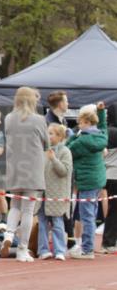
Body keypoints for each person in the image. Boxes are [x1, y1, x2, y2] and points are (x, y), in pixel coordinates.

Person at [1, 87, 49, 263]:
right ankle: (22, 248)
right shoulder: (39, 120)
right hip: (33, 168)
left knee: (14, 205)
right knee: (28, 210)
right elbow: (46, 144)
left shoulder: (8, 118)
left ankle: (8, 233)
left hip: (14, 167)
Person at [67, 102, 108, 259]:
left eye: (81, 122)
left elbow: (68, 149)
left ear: (87, 123)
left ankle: (87, 249)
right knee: (91, 213)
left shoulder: (82, 141)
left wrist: (71, 136)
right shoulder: (100, 135)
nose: (79, 125)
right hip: (97, 179)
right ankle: (86, 247)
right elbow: (103, 126)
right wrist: (101, 111)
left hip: (86, 181)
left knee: (87, 216)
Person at [37, 123, 73, 261]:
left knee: (57, 222)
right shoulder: (42, 151)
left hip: (57, 194)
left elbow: (64, 171)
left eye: (51, 133)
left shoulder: (65, 151)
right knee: (42, 223)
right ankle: (43, 250)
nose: (48, 136)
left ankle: (59, 250)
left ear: (59, 136)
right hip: (42, 193)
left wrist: (53, 159)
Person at [102, 118, 117, 254]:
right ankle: (108, 242)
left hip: (102, 173)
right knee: (114, 210)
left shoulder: (104, 131)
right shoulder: (115, 132)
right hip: (114, 174)